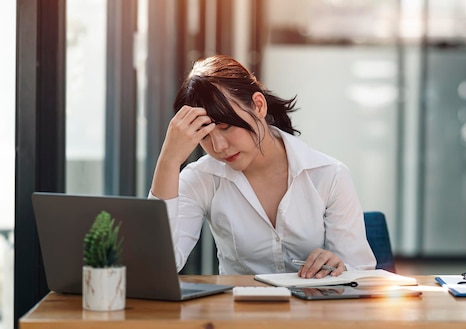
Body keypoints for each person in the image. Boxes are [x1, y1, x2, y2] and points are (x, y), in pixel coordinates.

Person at [149, 54, 376, 278]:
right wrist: (168, 161)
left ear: (258, 106)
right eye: (205, 135)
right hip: (237, 311)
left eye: (227, 127)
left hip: (313, 311)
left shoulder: (329, 175)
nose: (218, 146)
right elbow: (158, 268)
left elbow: (360, 271)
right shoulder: (202, 178)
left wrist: (341, 267)